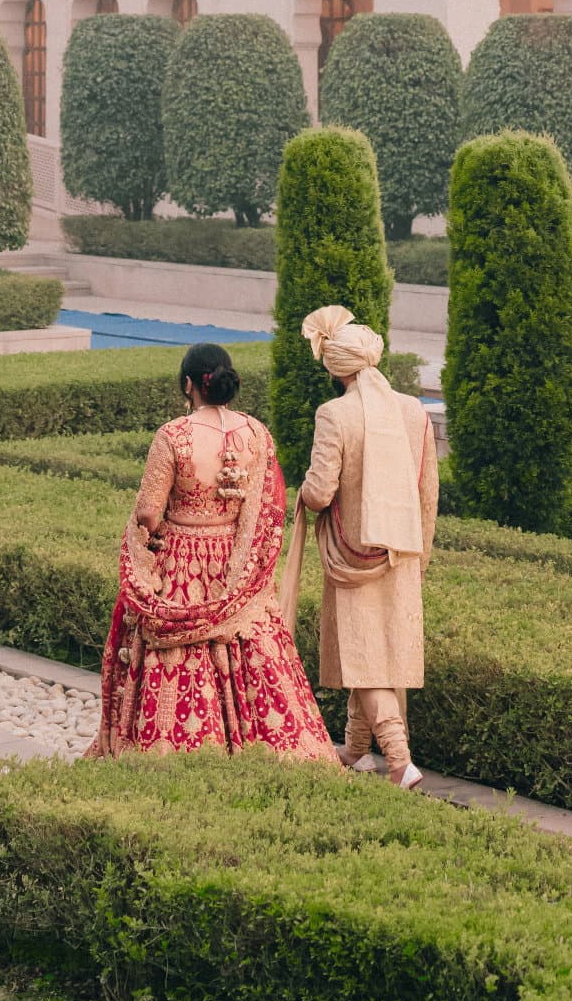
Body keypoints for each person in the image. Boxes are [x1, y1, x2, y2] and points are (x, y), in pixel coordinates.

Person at [86, 343, 338, 762]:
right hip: (237, 566)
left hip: (181, 563)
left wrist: (148, 533)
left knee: (177, 657)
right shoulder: (257, 434)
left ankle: (169, 749)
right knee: (252, 644)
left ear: (189, 385)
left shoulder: (173, 436)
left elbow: (149, 511)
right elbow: (265, 507)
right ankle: (275, 750)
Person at [284, 306, 438, 792]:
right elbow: (428, 491)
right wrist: (421, 554)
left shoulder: (334, 414)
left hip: (351, 552)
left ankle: (399, 760)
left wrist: (302, 495)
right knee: (376, 647)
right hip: (403, 549)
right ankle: (355, 748)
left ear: (335, 367)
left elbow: (320, 491)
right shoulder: (414, 411)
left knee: (365, 652)